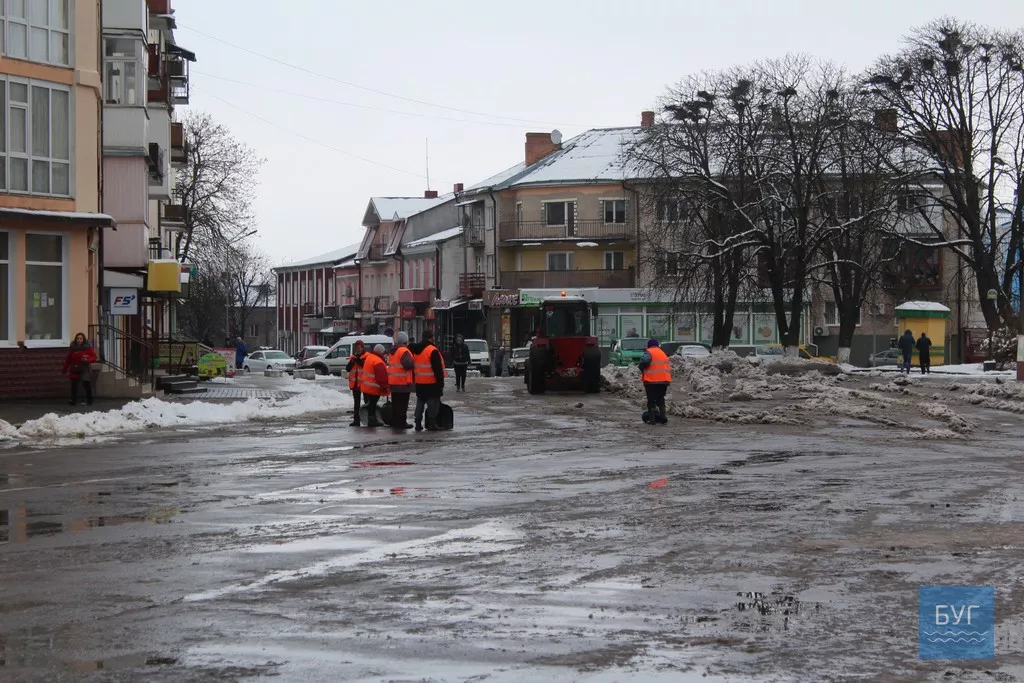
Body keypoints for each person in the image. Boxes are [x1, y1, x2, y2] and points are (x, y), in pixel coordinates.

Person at [410, 328, 446, 431]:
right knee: (432, 404)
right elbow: (437, 369)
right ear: (431, 338)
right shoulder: (432, 350)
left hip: (420, 382)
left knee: (420, 403)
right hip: (431, 383)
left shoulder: (416, 350)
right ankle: (432, 423)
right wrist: (440, 383)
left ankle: (417, 423)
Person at [638, 338, 671, 424]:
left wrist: (641, 368)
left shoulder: (649, 352)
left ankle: (652, 420)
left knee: (651, 400)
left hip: (651, 381)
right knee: (660, 398)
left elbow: (644, 361)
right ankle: (663, 417)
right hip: (664, 381)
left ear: (649, 345)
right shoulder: (662, 353)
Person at [388, 331, 415, 429]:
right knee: (403, 405)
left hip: (393, 382)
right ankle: (402, 423)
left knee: (396, 404)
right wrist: (414, 361)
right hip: (403, 383)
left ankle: (396, 422)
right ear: (405, 341)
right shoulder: (404, 351)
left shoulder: (392, 351)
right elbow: (407, 365)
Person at [63, 332, 97, 406]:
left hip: (84, 368)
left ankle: (89, 401)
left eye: (81, 338)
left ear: (83, 339)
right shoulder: (73, 348)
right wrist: (64, 369)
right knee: (74, 385)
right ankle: (73, 401)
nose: (79, 340)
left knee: (86, 384)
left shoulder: (87, 347)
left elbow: (94, 357)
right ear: (75, 339)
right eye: (78, 339)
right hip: (74, 368)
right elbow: (68, 359)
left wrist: (87, 360)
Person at [359, 344, 390, 428]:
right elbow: (381, 377)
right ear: (381, 352)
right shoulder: (378, 361)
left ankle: (371, 420)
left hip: (367, 386)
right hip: (373, 387)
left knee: (371, 404)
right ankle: (372, 421)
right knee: (372, 404)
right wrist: (385, 386)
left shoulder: (370, 357)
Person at [346, 340, 366, 426]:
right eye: (356, 348)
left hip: (365, 383)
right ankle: (356, 420)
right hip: (355, 384)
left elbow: (364, 365)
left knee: (367, 402)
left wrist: (357, 360)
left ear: (362, 348)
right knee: (356, 404)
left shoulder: (366, 356)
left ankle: (368, 418)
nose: (357, 350)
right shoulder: (353, 357)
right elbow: (347, 369)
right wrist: (352, 362)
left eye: (359, 348)